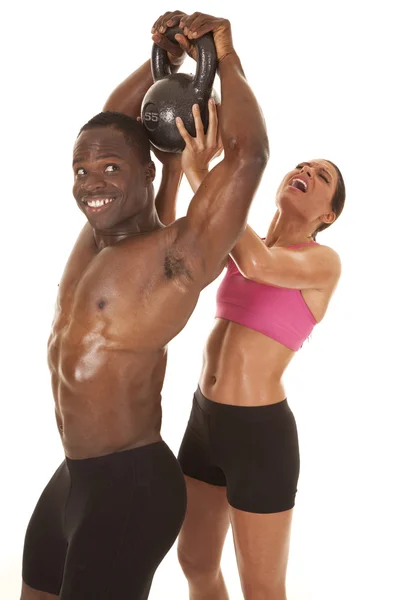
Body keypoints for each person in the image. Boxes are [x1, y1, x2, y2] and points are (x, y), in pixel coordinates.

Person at [20, 13, 269, 600]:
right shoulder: (96, 237)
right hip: (72, 478)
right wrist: (166, 56)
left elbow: (248, 156)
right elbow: (113, 118)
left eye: (109, 169)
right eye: (81, 170)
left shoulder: (174, 257)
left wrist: (223, 57)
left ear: (146, 170)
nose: (91, 183)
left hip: (129, 485)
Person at [152, 12, 346, 600]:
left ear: (328, 215)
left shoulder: (320, 262)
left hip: (260, 434)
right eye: (303, 166)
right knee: (195, 563)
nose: (306, 172)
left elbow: (258, 265)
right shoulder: (245, 238)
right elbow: (175, 241)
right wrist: (186, 170)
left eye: (322, 178)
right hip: (204, 419)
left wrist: (207, 180)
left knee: (263, 589)